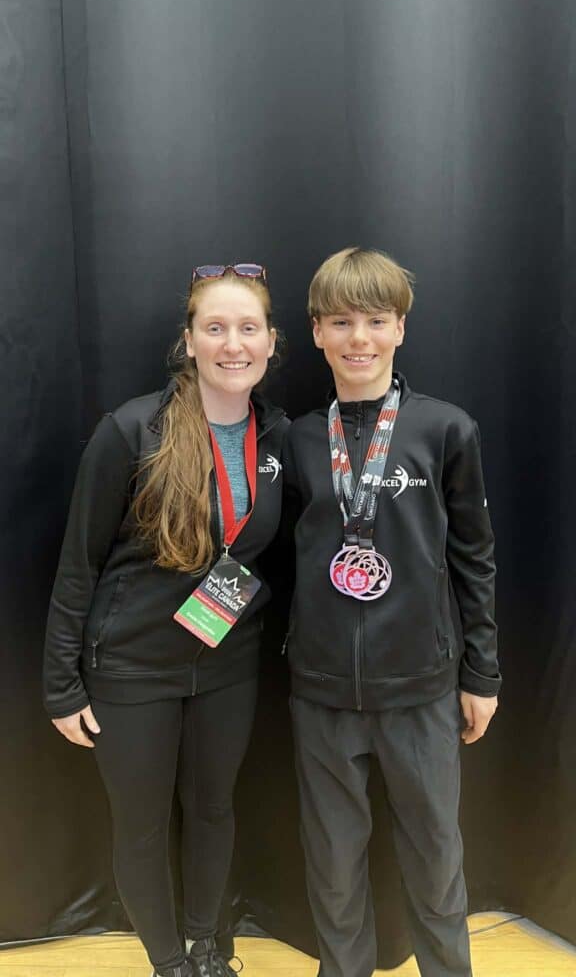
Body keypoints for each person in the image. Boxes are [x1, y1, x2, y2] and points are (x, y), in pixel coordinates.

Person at [43, 263, 289, 977]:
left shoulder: (279, 436)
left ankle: (210, 947)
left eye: (248, 328)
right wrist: (62, 683)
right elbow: (77, 564)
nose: (232, 343)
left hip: (227, 663)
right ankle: (169, 962)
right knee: (144, 826)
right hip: (130, 668)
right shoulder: (131, 430)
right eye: (215, 328)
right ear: (189, 341)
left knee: (213, 810)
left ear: (271, 343)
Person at [282, 247, 500, 977]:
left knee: (437, 863)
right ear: (316, 331)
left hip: (422, 689)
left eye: (376, 319)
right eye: (341, 321)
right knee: (334, 869)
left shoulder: (447, 430)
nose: (359, 338)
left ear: (401, 327)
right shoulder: (298, 438)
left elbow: (474, 558)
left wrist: (483, 673)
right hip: (321, 691)